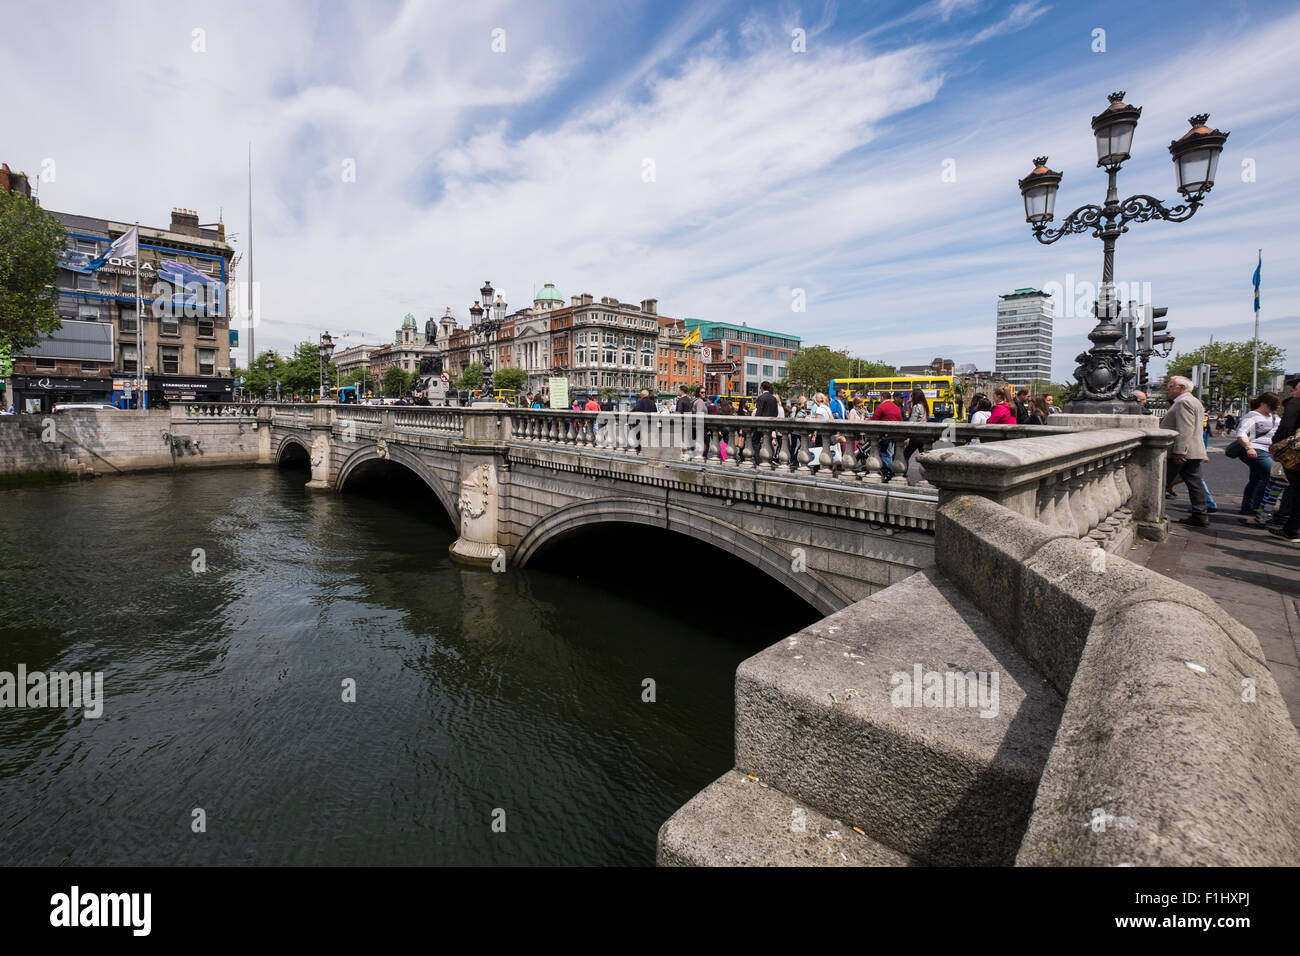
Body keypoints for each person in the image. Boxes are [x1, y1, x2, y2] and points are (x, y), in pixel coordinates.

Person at [1160, 375, 1210, 527]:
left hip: (1183, 451)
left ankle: (1154, 512)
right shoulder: (1194, 401)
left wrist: (1179, 451)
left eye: (1171, 386)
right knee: (1195, 483)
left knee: (1161, 481)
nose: (1168, 389)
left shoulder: (1183, 402)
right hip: (1194, 450)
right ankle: (1200, 514)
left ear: (1181, 388)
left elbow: (1185, 428)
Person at [1233, 393, 1281, 516]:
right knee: (1271, 476)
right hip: (1256, 449)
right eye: (1272, 406)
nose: (1274, 409)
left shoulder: (1274, 417)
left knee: (1256, 479)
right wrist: (1249, 448)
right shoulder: (1252, 416)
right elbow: (1241, 433)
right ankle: (1257, 507)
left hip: (1267, 451)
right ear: (1263, 404)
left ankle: (1247, 507)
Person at [1269, 376, 1300, 543]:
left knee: (1296, 490)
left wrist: (1276, 448)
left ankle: (1292, 529)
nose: (1293, 392)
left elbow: (1286, 428)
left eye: (1295, 389)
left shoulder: (1295, 403)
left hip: (1295, 455)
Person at [872, 391, 904, 481]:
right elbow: (900, 421)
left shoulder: (881, 407)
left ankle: (888, 472)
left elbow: (874, 420)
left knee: (884, 454)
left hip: (883, 436)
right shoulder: (897, 408)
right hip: (893, 435)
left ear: (882, 397)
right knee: (888, 454)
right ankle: (888, 472)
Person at [902, 387, 928, 473]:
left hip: (916, 436)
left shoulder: (917, 406)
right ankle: (928, 476)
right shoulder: (925, 406)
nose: (910, 398)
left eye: (912, 396)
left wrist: (908, 437)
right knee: (925, 458)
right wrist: (909, 406)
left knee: (905, 455)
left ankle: (902, 474)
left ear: (915, 397)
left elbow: (912, 422)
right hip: (924, 435)